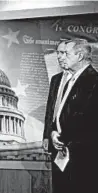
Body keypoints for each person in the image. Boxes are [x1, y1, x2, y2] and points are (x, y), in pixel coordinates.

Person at [50, 39, 98, 193]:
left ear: (79, 56)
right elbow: (59, 112)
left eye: (66, 53)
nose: (61, 57)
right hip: (63, 149)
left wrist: (62, 137)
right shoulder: (71, 79)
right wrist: (53, 132)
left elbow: (83, 117)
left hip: (82, 154)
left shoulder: (93, 80)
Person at [42, 40, 72, 152]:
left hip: (71, 139)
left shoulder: (81, 80)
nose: (59, 57)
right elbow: (50, 111)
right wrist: (46, 135)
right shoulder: (55, 79)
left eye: (63, 52)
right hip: (52, 137)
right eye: (57, 53)